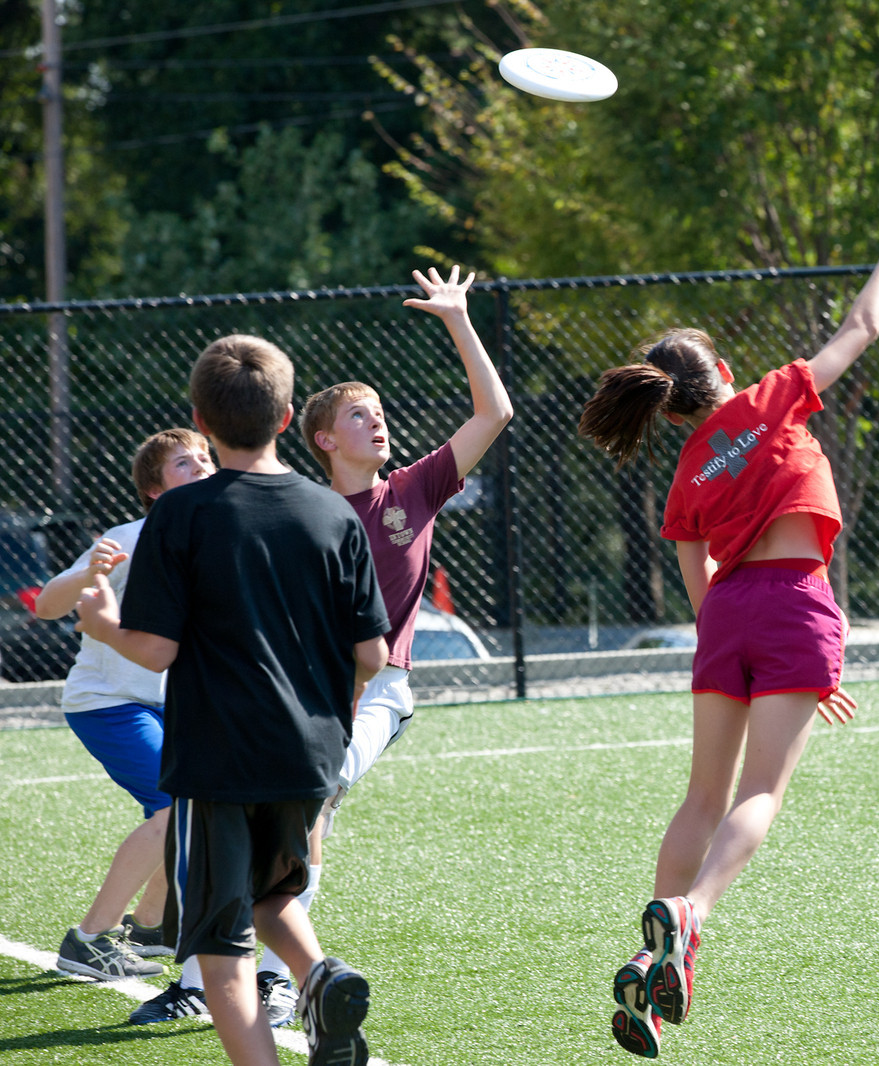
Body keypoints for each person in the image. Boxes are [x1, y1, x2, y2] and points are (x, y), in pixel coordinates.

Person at [578, 219, 879, 1058]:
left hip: (728, 618)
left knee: (700, 798)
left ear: (669, 409)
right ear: (722, 374)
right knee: (762, 795)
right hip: (793, 604)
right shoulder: (772, 398)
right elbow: (861, 328)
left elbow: (701, 590)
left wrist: (759, 652)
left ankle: (649, 961)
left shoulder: (685, 472)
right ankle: (690, 915)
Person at [77, 333, 391, 1066]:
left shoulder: (180, 516)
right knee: (272, 891)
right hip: (309, 753)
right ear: (287, 418)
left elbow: (156, 650)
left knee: (221, 953)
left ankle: (296, 1013)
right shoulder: (333, 513)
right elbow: (372, 656)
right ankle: (321, 976)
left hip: (218, 758)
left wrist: (102, 624)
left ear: (200, 419)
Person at [278, 264, 512, 1008]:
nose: (376, 421)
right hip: (313, 691)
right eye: (358, 415)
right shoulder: (303, 512)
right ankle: (230, 955)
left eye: (379, 412)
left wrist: (457, 320)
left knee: (312, 803)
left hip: (383, 688)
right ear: (323, 438)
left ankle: (284, 980)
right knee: (291, 818)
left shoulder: (412, 489)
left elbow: (494, 413)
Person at [38, 429, 215, 982]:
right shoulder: (133, 537)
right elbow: (46, 605)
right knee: (175, 807)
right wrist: (91, 570)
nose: (202, 467)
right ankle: (88, 940)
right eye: (185, 464)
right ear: (156, 492)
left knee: (191, 806)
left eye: (206, 458)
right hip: (109, 703)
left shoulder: (218, 537)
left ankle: (151, 926)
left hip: (173, 706)